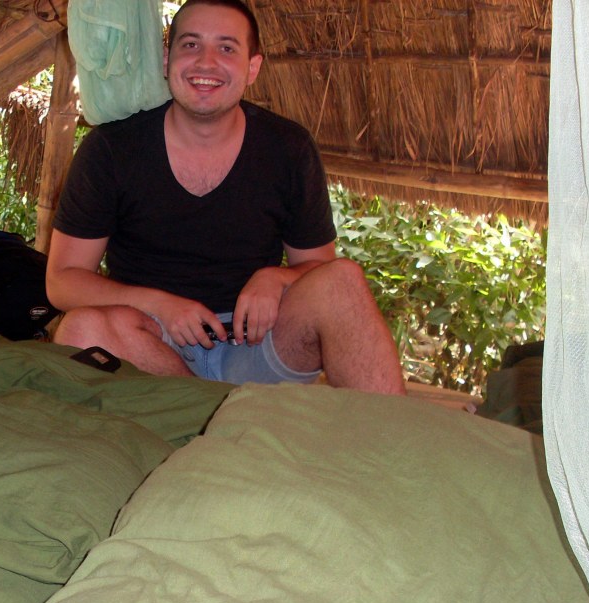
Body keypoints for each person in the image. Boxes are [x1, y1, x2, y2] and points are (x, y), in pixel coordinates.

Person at [46, 0, 406, 395]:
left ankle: (388, 432)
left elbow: (319, 267)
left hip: (255, 345)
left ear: (252, 67)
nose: (206, 62)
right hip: (153, 346)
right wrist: (160, 304)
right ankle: (211, 414)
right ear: (166, 59)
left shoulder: (287, 148)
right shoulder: (112, 149)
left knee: (343, 281)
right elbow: (63, 282)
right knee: (80, 329)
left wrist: (276, 278)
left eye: (227, 48)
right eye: (191, 45)